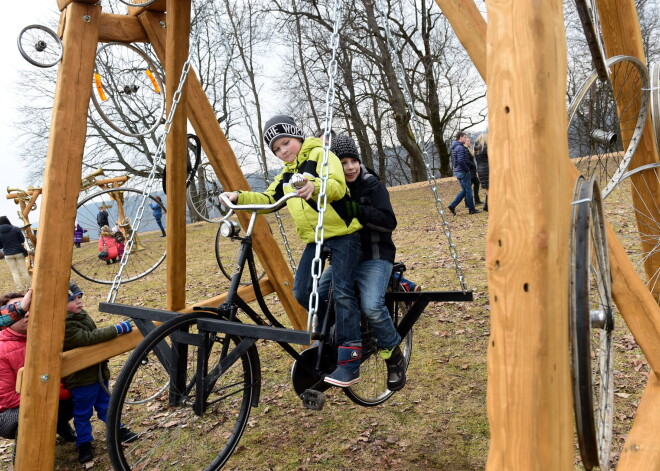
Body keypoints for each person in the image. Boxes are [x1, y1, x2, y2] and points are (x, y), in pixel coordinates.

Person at [221, 115, 363, 387]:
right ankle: (339, 329)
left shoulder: (321, 154)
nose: (283, 151)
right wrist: (238, 196)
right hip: (316, 239)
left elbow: (337, 185)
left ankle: (350, 360)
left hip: (344, 234)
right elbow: (269, 199)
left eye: (286, 143)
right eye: (276, 149)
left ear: (297, 137)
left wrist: (315, 186)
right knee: (301, 291)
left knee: (343, 293)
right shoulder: (286, 174)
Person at [320, 134, 407, 391]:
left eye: (353, 161)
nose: (350, 167)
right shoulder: (335, 190)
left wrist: (359, 211)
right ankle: (341, 341)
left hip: (375, 256)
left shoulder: (372, 186)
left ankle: (393, 356)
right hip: (344, 258)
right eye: (343, 163)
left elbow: (389, 222)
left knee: (371, 306)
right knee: (320, 295)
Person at [62, 282, 137, 464]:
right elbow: (88, 338)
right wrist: (117, 329)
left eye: (79, 297)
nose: (79, 302)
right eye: (72, 300)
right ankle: (84, 443)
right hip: (81, 380)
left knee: (107, 406)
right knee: (82, 414)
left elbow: (93, 334)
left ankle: (117, 429)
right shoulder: (64, 325)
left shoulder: (81, 316)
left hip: (98, 374)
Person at [0, 289, 76, 446]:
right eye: (21, 309)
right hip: (9, 412)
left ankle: (60, 425)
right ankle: (25, 455)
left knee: (82, 391)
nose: (27, 314)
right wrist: (49, 395)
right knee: (31, 413)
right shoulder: (2, 350)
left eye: (30, 308)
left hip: (47, 394)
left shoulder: (47, 336)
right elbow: (6, 398)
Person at [447, 132, 481, 216]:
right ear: (460, 137)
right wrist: (467, 170)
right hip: (463, 172)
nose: (466, 139)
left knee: (464, 190)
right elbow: (461, 161)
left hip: (458, 172)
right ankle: (472, 209)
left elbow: (455, 161)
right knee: (468, 191)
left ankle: (452, 205)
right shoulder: (460, 148)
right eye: (465, 137)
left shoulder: (455, 147)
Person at [0, 216, 31, 292]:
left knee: (14, 272)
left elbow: (0, 246)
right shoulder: (15, 228)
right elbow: (22, 240)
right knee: (23, 270)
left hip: (8, 254)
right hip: (19, 252)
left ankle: (19, 289)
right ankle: (28, 287)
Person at [474, 132, 489, 212]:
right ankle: (488, 206)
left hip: (480, 170)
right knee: (490, 189)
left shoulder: (476, 148)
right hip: (487, 169)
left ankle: (486, 207)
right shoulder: (486, 148)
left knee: (488, 189)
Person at [465, 137, 482, 206]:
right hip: (469, 171)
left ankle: (476, 199)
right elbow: (467, 161)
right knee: (469, 187)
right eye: (468, 141)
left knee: (477, 183)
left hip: (473, 171)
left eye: (469, 141)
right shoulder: (465, 150)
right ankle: (467, 202)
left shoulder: (469, 149)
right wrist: (473, 166)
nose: (469, 142)